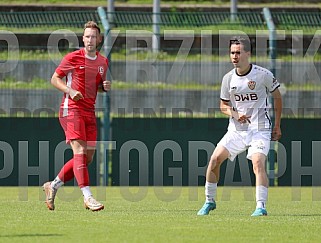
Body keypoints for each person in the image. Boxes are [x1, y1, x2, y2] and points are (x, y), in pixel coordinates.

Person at [197, 36, 282, 216]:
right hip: (236, 130)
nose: (234, 56)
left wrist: (278, 125)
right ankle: (209, 201)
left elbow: (277, 97)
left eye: (238, 52)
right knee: (214, 160)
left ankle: (261, 207)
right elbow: (223, 106)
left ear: (248, 54)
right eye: (232, 53)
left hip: (260, 128)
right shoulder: (228, 79)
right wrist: (236, 115)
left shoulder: (262, 74)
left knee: (258, 163)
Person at [43, 21, 111, 211]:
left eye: (93, 36)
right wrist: (70, 90)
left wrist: (103, 88)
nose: (90, 39)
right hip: (70, 109)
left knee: (86, 158)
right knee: (79, 152)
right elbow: (54, 78)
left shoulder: (102, 62)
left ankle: (53, 185)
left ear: (99, 39)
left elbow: (94, 86)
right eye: (87, 36)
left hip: (89, 112)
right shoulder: (72, 57)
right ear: (83, 38)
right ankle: (88, 197)